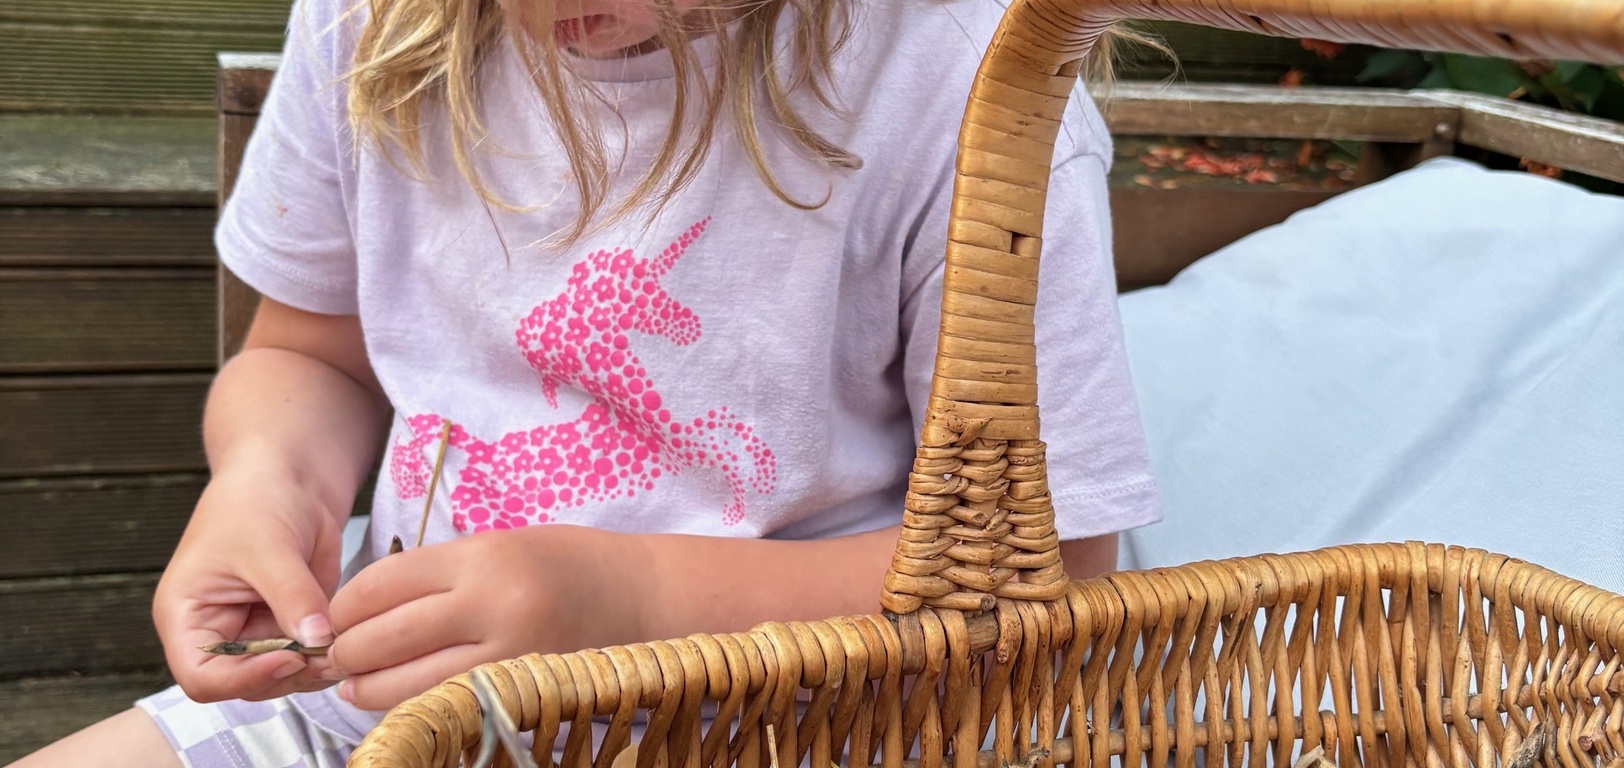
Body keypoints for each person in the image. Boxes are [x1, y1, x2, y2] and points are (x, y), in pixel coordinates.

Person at [13, 0, 1161, 762]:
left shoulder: (969, 92)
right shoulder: (378, 22)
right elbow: (306, 353)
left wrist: (631, 606)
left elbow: (1042, 576)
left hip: (788, 725)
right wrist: (268, 484)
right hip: (369, 701)